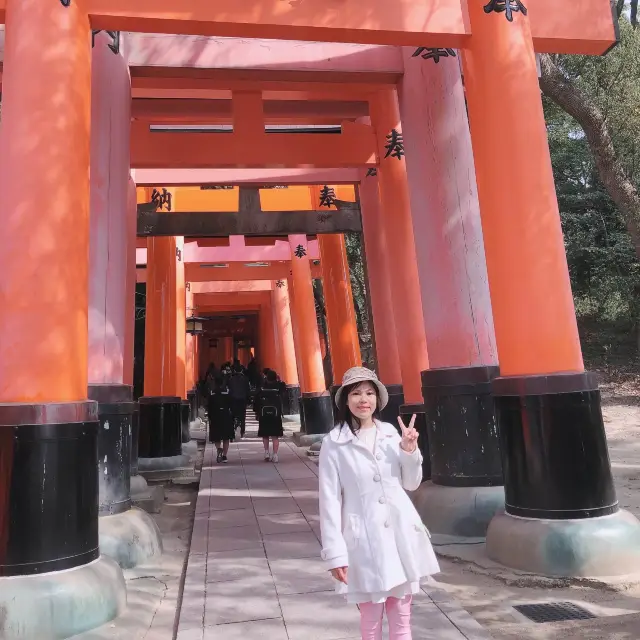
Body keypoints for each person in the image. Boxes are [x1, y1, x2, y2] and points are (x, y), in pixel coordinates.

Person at [319, 367, 440, 640]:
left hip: (400, 539)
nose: (364, 399)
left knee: (402, 622)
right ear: (345, 400)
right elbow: (328, 502)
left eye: (370, 393)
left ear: (378, 399)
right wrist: (335, 554)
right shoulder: (334, 443)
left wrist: (409, 451)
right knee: (371, 622)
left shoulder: (390, 434)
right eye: (357, 393)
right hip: (364, 541)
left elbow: (411, 483)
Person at [256, 369, 286, 463]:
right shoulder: (278, 387)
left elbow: (256, 400)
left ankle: (266, 452)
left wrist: (257, 412)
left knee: (265, 435)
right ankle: (275, 455)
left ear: (267, 377)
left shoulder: (262, 387)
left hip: (264, 414)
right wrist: (279, 380)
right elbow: (284, 390)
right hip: (275, 414)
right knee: (275, 436)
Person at [207, 375, 234, 463]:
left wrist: (210, 417)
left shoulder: (212, 393)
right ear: (223, 383)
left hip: (215, 416)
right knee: (226, 437)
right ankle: (225, 456)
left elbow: (209, 406)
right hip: (226, 415)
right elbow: (231, 404)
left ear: (215, 383)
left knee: (216, 436)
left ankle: (219, 448)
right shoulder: (227, 392)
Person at [228, 363, 251, 437]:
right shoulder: (246, 379)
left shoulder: (231, 379)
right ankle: (242, 431)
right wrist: (249, 400)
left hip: (233, 400)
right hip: (242, 400)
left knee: (232, 416)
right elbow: (248, 390)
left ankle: (232, 431)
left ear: (234, 370)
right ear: (242, 370)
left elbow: (229, 389)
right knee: (242, 416)